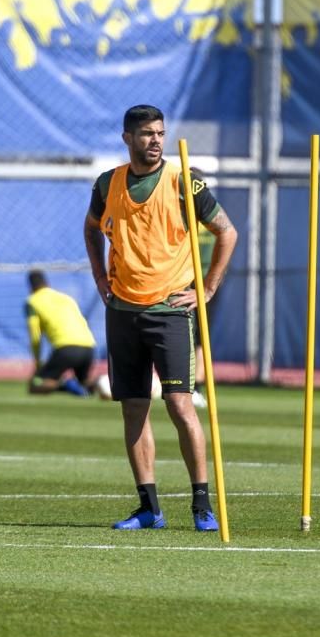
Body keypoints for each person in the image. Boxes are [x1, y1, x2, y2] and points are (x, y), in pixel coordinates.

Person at [83, 104, 237, 531]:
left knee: (179, 404)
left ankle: (202, 505)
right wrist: (100, 275)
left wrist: (206, 289)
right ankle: (149, 507)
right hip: (122, 310)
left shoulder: (184, 180)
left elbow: (227, 231)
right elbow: (92, 226)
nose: (155, 140)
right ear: (127, 138)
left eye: (160, 133)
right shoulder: (106, 183)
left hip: (169, 309)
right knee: (133, 408)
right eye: (147, 133)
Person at [25, 270, 95, 396]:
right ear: (46, 283)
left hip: (65, 347)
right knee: (86, 383)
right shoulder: (66, 298)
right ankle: (102, 384)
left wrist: (37, 362)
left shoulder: (32, 301)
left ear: (30, 286)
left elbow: (35, 336)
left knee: (34, 386)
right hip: (88, 345)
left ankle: (65, 385)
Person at [192, 211, 218, 409]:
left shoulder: (201, 217)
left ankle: (195, 386)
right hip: (204, 281)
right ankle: (194, 386)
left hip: (197, 282)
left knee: (199, 337)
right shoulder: (211, 217)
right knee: (198, 337)